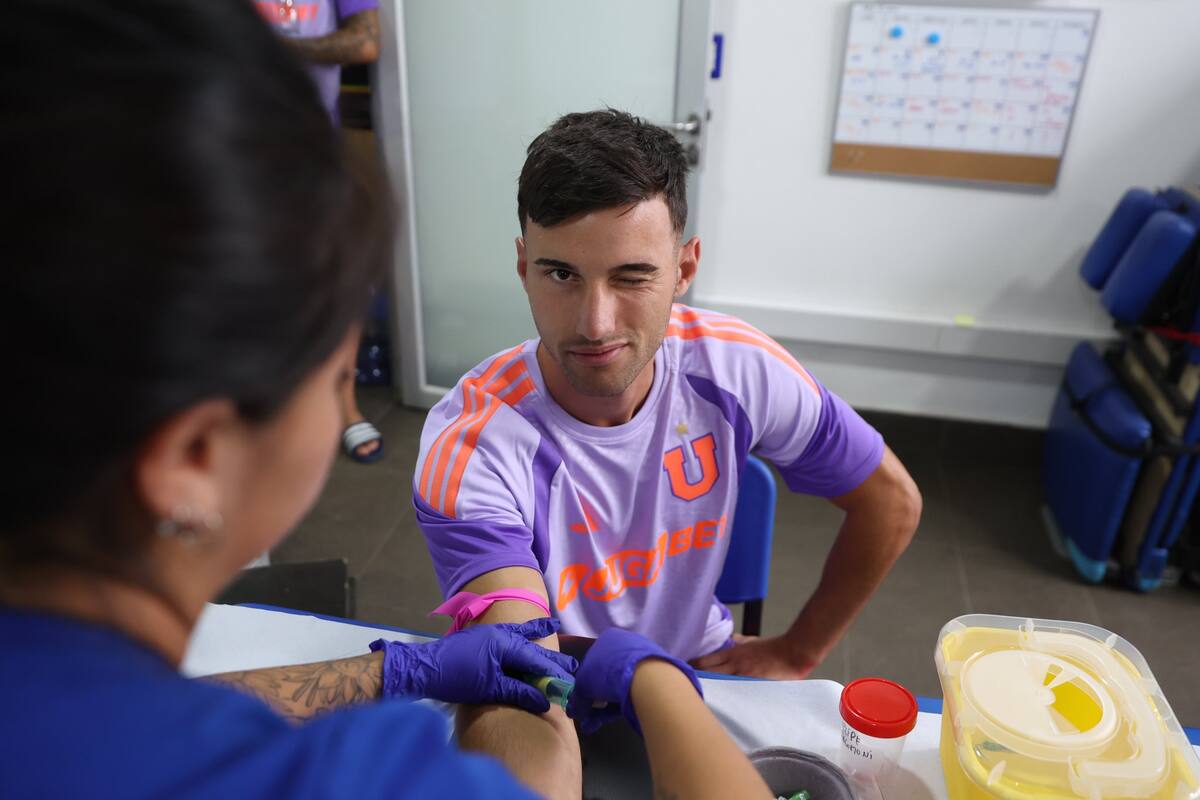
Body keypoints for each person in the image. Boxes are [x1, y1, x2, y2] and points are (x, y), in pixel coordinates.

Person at [0, 3, 772, 798]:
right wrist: (653, 677)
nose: (595, 318)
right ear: (193, 458)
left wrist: (397, 670)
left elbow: (134, 721)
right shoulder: (357, 781)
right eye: (339, 378)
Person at [413, 109, 924, 795]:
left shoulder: (736, 370)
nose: (596, 324)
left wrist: (799, 652)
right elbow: (521, 674)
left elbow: (891, 500)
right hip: (552, 692)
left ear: (684, 268)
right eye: (561, 274)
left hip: (703, 663)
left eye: (631, 277)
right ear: (522, 266)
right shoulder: (471, 443)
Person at [258, 0, 386, 463]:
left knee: (342, 276)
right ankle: (271, 410)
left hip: (313, 149)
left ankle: (343, 404)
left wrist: (272, 47)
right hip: (231, 145)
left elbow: (365, 41)